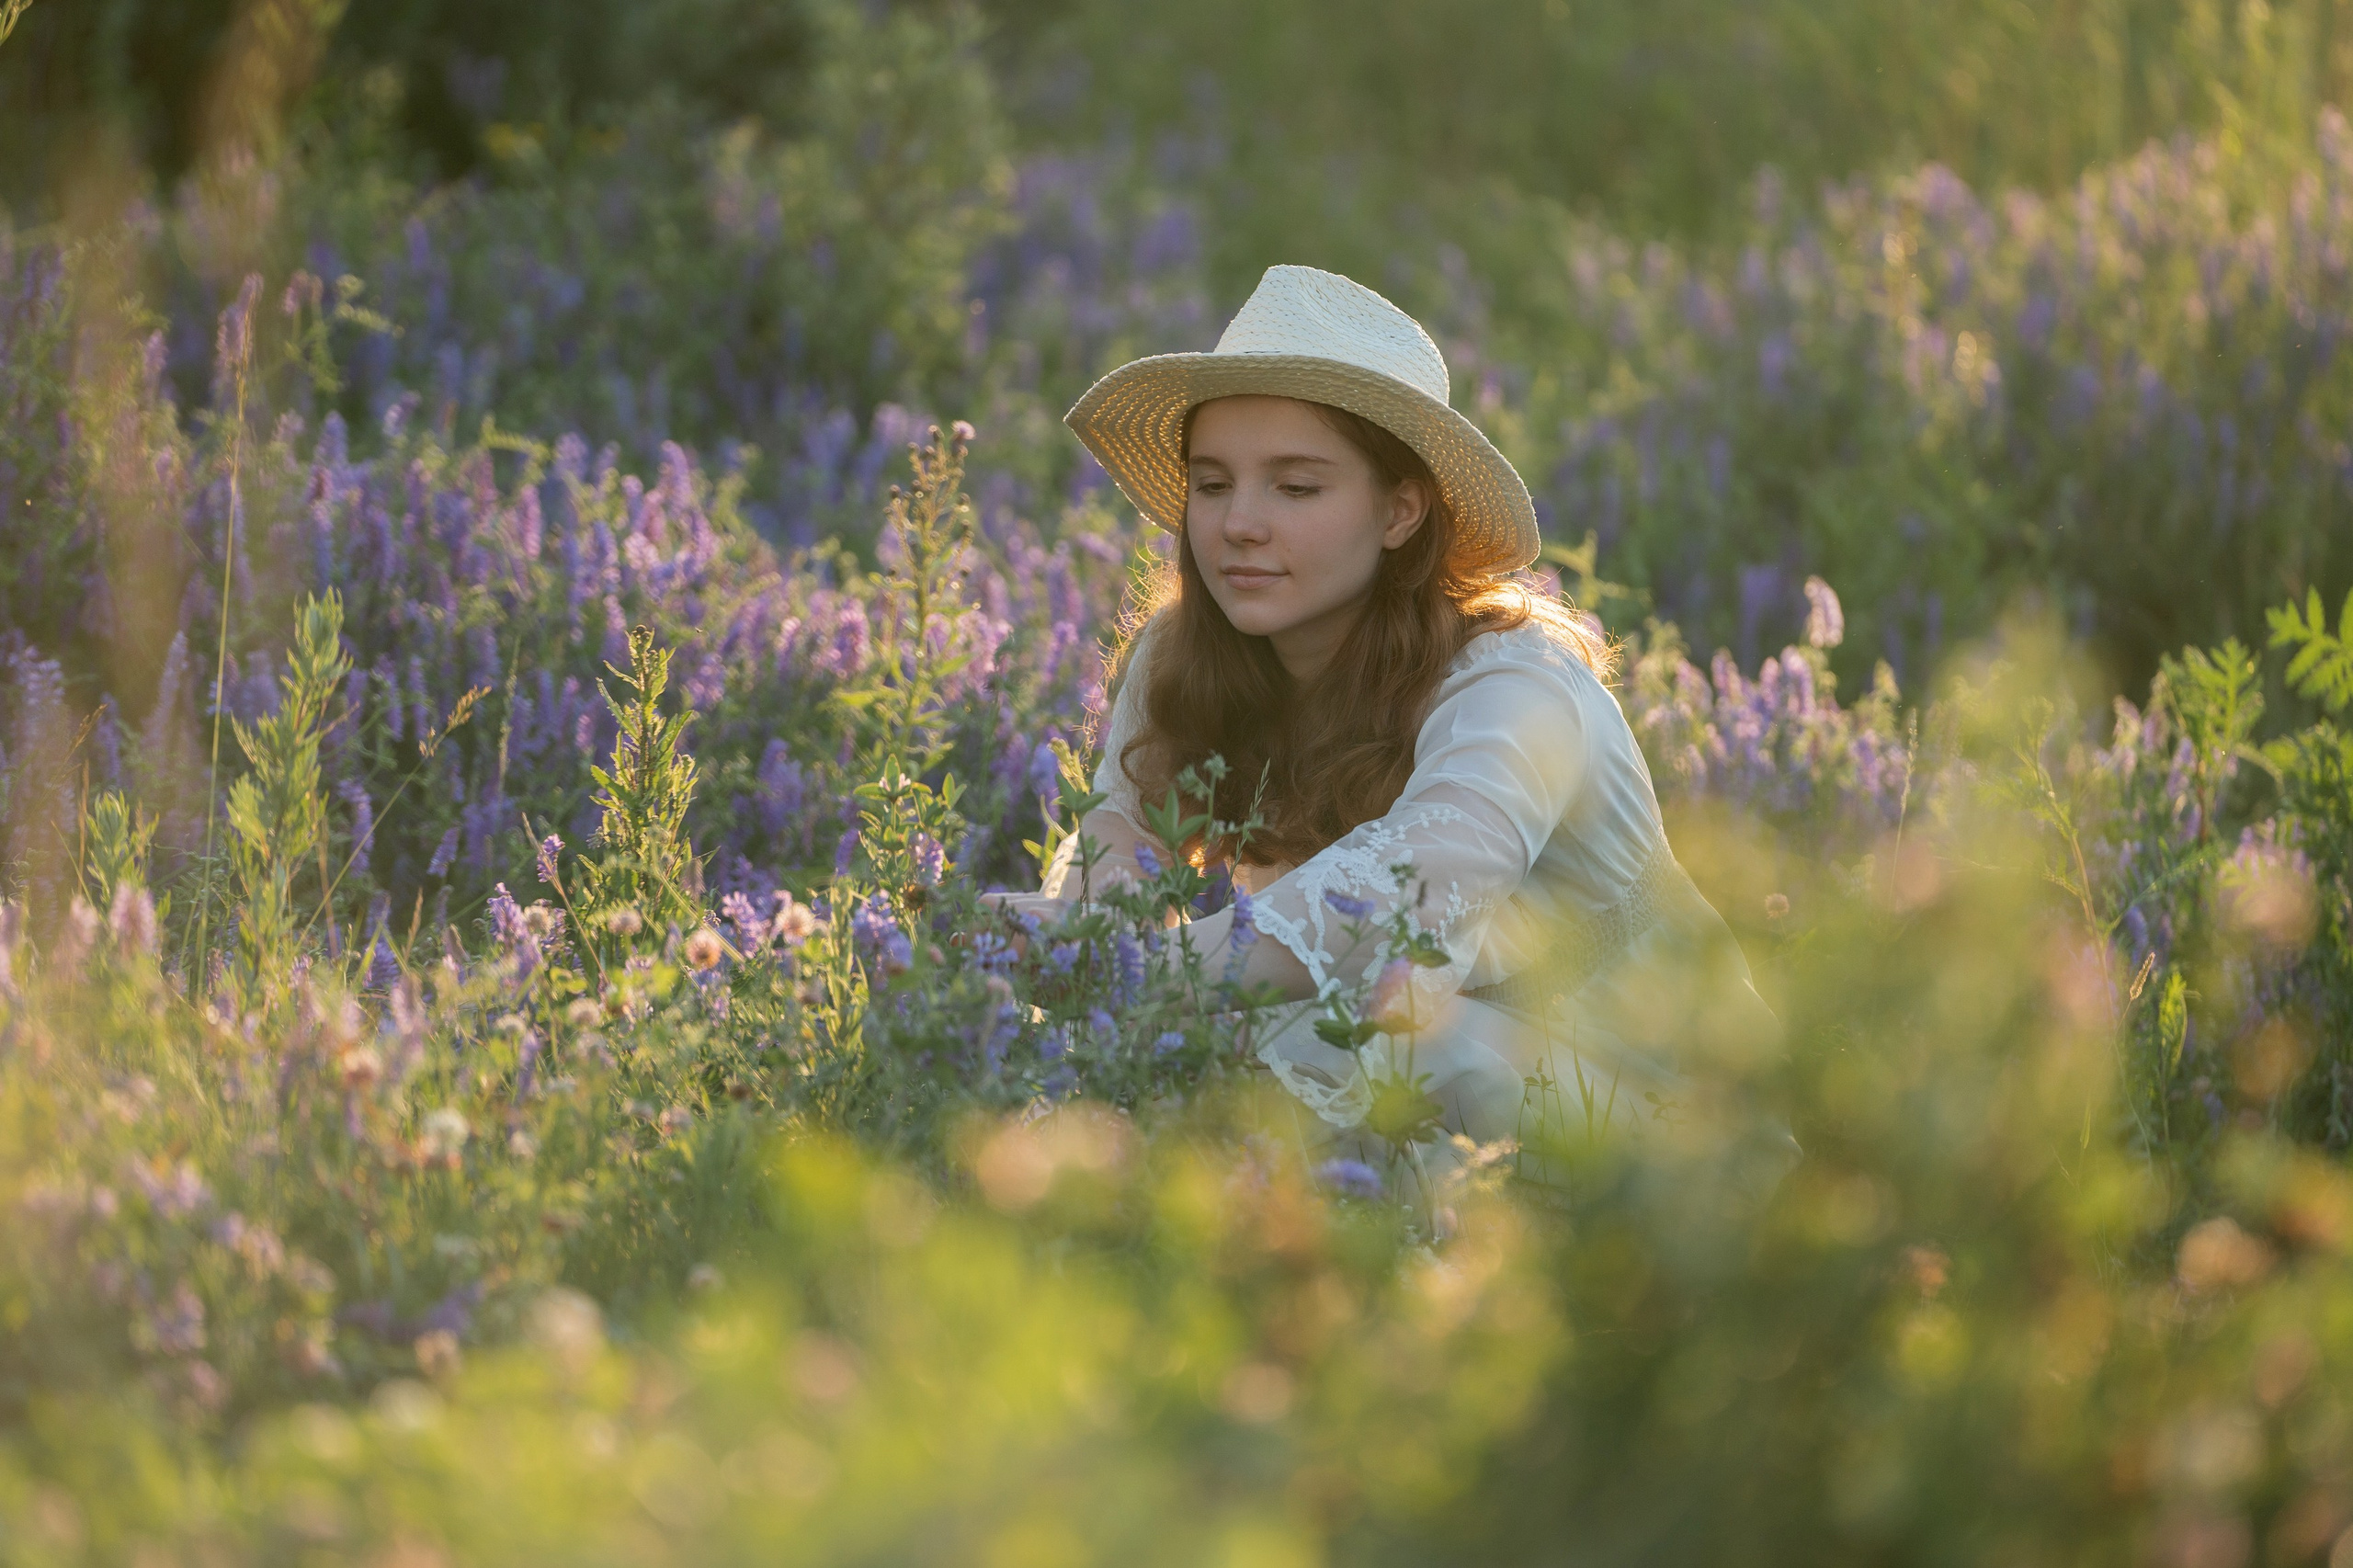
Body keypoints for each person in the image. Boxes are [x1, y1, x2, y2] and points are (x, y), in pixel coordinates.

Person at [993, 264, 1790, 1199]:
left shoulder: (1520, 688)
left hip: (1682, 1155)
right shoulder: (1185, 655)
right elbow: (1108, 868)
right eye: (1211, 484)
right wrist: (1001, 951)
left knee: (1343, 1030)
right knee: (1213, 1048)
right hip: (1447, 1116)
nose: (1237, 524)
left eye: (1295, 487)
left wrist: (1086, 961)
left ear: (1399, 510)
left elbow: (1386, 910)